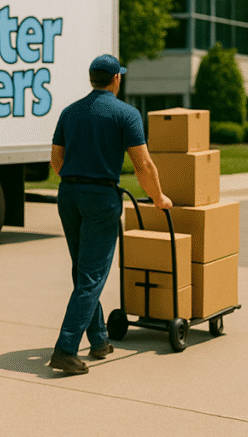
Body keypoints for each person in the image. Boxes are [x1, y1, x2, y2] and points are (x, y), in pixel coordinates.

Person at [48, 54, 171, 375]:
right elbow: (143, 165)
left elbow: (56, 160)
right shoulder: (126, 114)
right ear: (116, 79)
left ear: (92, 78)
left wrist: (76, 182)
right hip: (101, 198)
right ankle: (66, 348)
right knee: (92, 275)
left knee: (82, 271)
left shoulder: (70, 112)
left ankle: (99, 339)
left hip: (69, 195)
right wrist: (159, 198)